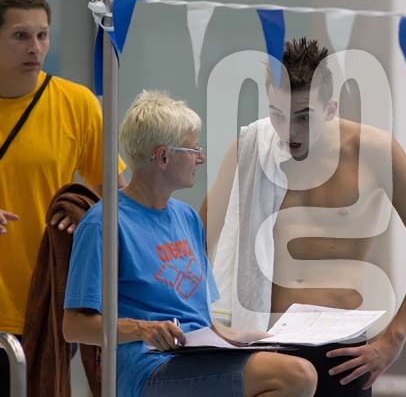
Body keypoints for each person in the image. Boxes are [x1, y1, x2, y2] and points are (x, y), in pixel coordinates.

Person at [200, 37, 406, 396]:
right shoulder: (252, 148)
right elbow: (196, 240)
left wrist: (393, 339)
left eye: (303, 117)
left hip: (343, 355)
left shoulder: (373, 152)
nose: (289, 131)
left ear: (331, 108)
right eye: (278, 114)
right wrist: (207, 325)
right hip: (266, 347)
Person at [62, 90, 317, 397]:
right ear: (163, 157)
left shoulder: (187, 218)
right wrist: (143, 329)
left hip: (197, 357)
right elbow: (74, 326)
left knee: (293, 365)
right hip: (147, 367)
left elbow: (200, 318)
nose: (201, 158)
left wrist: (248, 338)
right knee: (297, 376)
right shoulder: (104, 223)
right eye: (194, 148)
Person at [0, 0, 126, 394]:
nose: (34, 48)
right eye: (20, 36)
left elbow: (120, 199)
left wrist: (84, 213)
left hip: (46, 299)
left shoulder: (76, 104)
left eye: (42, 35)